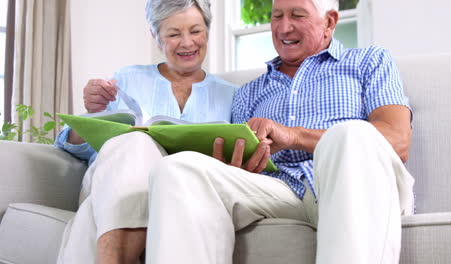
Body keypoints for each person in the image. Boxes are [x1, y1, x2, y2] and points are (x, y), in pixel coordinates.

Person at [145, 0, 415, 263]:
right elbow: (244, 172)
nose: (284, 28)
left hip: (350, 183)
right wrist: (237, 163)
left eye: (297, 15)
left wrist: (294, 136)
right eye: (277, 16)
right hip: (279, 189)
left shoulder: (369, 62)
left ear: (329, 22)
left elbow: (397, 140)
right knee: (177, 169)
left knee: (349, 135)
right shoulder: (249, 92)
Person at [54, 0, 237, 263]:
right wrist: (94, 113)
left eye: (195, 31)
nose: (187, 43)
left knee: (90, 216)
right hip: (111, 182)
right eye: (174, 34)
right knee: (136, 142)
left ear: (207, 30)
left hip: (180, 192)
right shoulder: (127, 79)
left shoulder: (231, 94)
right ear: (155, 36)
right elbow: (72, 147)